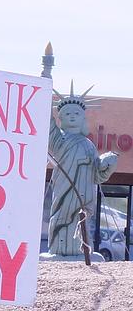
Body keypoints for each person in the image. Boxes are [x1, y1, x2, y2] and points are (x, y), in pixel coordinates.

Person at [48, 90, 117, 256]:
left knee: (83, 225)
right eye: (67, 113)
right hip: (64, 192)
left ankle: (83, 251)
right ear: (61, 118)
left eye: (77, 113)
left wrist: (108, 165)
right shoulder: (59, 140)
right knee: (62, 220)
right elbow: (47, 122)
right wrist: (46, 78)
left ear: (83, 118)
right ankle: (59, 250)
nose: (72, 116)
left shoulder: (89, 145)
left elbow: (97, 175)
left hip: (84, 195)